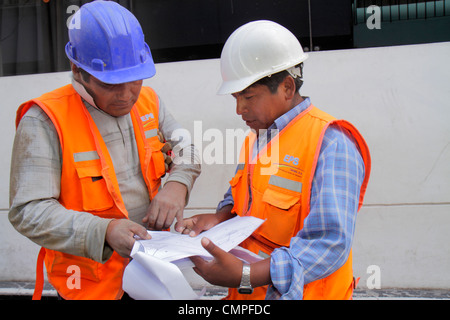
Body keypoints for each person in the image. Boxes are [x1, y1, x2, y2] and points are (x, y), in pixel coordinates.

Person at [8, 1, 200, 300]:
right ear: (77, 70)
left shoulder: (149, 102)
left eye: (134, 80)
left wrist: (177, 183)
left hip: (150, 273)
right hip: (89, 285)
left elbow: (187, 149)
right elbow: (28, 212)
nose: (126, 95)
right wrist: (104, 231)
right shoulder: (44, 120)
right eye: (110, 83)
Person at [178, 20, 371, 300]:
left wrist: (246, 275)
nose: (239, 109)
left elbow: (329, 244)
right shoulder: (257, 136)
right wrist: (219, 217)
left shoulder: (332, 144)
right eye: (235, 97)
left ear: (287, 88)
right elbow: (241, 195)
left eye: (248, 96)